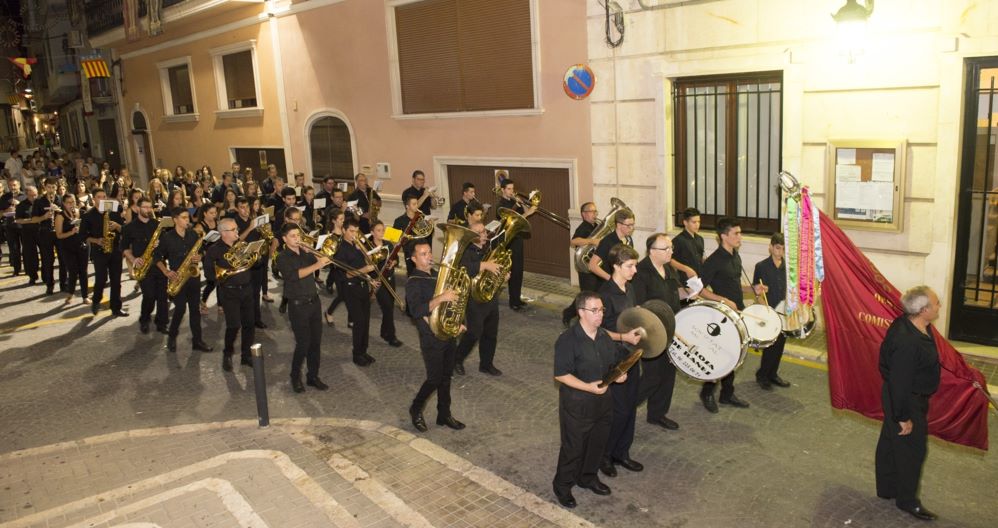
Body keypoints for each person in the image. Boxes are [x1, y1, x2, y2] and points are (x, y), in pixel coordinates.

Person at [552, 291, 638, 509]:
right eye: (594, 310)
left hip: (603, 403)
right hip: (577, 405)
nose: (600, 315)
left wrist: (620, 375)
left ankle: (587, 477)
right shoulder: (568, 340)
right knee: (573, 448)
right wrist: (587, 387)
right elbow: (561, 374)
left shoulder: (604, 337)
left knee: (597, 444)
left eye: (602, 310)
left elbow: (613, 365)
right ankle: (562, 486)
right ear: (581, 312)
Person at [875, 286, 941, 521]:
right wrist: (903, 417)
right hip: (905, 400)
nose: (939, 306)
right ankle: (907, 501)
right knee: (913, 450)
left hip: (902, 395)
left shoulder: (912, 323)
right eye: (936, 303)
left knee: (890, 441)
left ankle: (886, 488)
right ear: (923, 310)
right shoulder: (907, 342)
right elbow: (899, 381)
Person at [698, 217, 763, 412]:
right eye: (736, 233)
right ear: (723, 236)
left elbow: (734, 285)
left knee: (734, 355)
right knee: (719, 356)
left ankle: (727, 394)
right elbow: (699, 290)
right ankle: (707, 392)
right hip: (722, 315)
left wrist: (753, 289)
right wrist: (723, 300)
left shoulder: (735, 256)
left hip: (738, 312)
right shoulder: (714, 260)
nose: (740, 236)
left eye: (740, 232)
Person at [406, 239, 465, 432]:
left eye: (429, 252)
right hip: (431, 338)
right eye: (423, 254)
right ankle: (415, 408)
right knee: (434, 378)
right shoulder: (413, 282)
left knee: (446, 376)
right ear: (414, 259)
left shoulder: (438, 276)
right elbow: (415, 310)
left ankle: (444, 414)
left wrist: (459, 323)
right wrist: (441, 298)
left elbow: (452, 304)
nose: (429, 256)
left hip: (447, 334)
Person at [597, 244, 645, 478]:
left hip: (631, 355)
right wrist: (623, 336)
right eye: (630, 266)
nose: (634, 270)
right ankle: (604, 455)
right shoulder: (604, 294)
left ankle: (621, 452)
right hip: (613, 359)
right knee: (617, 411)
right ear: (616, 266)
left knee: (630, 408)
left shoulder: (630, 288)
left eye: (635, 265)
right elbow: (597, 331)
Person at [631, 233, 683, 430]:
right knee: (652, 377)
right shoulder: (641, 272)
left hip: (671, 329)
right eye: (666, 249)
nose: (670, 252)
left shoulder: (668, 268)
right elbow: (640, 306)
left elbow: (676, 293)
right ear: (652, 251)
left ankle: (657, 413)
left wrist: (690, 292)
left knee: (668, 374)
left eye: (671, 248)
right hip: (652, 333)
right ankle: (625, 407)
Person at [276, 222, 333, 393]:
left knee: (315, 343)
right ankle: (295, 376)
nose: (297, 239)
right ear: (285, 239)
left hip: (314, 302)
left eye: (298, 235)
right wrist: (316, 264)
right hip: (297, 306)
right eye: (293, 236)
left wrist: (315, 254)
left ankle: (313, 376)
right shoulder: (282, 257)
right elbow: (294, 275)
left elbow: (324, 263)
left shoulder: (305, 252)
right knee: (303, 344)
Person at [156, 207, 213, 353]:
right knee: (180, 309)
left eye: (188, 217)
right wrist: (166, 271)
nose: (187, 220)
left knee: (195, 310)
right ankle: (172, 337)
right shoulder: (167, 237)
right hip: (178, 278)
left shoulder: (193, 234)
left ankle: (197, 341)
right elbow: (156, 257)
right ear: (175, 220)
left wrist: (199, 256)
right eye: (183, 217)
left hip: (193, 277)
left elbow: (199, 250)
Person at [204, 218, 257, 371]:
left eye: (236, 229)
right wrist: (222, 276)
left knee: (249, 324)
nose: (237, 232)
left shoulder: (243, 246)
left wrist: (256, 256)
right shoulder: (214, 250)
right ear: (223, 233)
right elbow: (209, 273)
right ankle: (227, 353)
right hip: (229, 292)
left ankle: (246, 356)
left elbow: (255, 265)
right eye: (233, 230)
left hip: (247, 289)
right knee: (233, 326)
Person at [455, 221, 503, 376]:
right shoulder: (464, 250)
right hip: (473, 298)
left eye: (484, 232)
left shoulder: (490, 248)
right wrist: (485, 265)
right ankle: (457, 359)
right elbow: (464, 269)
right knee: (474, 332)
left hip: (490, 295)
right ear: (471, 236)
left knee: (491, 332)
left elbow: (496, 269)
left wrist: (503, 275)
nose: (483, 235)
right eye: (479, 233)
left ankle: (486, 364)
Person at [122, 197, 169, 334]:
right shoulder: (129, 227)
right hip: (143, 265)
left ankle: (162, 323)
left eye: (150, 207)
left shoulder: (157, 225)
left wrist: (160, 244)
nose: (148, 210)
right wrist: (134, 259)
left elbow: (165, 244)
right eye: (145, 207)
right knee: (149, 295)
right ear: (138, 208)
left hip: (159, 264)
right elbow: (124, 247)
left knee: (162, 296)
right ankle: (144, 319)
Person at [336, 217, 378, 366]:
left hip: (362, 286)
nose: (354, 234)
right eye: (351, 231)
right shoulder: (341, 249)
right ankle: (356, 354)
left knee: (366, 320)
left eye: (356, 231)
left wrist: (369, 278)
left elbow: (368, 262)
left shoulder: (357, 245)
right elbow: (347, 273)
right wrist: (365, 270)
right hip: (350, 287)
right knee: (359, 321)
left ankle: (363, 350)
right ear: (343, 230)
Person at [752, 233, 790, 390]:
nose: (780, 252)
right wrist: (766, 311)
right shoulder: (761, 266)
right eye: (777, 248)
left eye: (783, 249)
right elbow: (757, 292)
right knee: (770, 346)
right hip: (770, 311)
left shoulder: (787, 267)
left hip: (783, 312)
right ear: (771, 247)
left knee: (781, 344)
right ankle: (762, 375)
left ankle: (773, 374)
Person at [82, 189, 126, 317]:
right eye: (99, 197)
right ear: (94, 199)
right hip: (99, 251)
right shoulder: (88, 215)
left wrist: (117, 226)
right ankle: (96, 300)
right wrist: (96, 240)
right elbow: (83, 236)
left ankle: (116, 308)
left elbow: (124, 229)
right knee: (101, 279)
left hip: (115, 249)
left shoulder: (113, 210)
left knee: (116, 281)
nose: (102, 199)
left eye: (104, 196)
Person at [495, 179, 536, 311]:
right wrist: (528, 213)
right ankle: (513, 302)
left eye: (513, 189)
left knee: (519, 271)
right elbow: (513, 220)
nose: (512, 191)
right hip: (509, 241)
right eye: (509, 189)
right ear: (502, 190)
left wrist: (523, 203)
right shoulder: (501, 205)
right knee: (512, 271)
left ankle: (517, 299)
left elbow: (525, 213)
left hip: (517, 238)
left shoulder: (514, 201)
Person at [229, 197, 268, 329]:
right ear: (237, 208)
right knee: (244, 294)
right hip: (243, 262)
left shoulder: (254, 219)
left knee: (256, 292)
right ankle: (244, 320)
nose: (245, 210)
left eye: (247, 207)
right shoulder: (234, 222)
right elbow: (236, 240)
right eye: (242, 207)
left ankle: (257, 319)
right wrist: (250, 228)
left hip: (256, 260)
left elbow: (262, 237)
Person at [562, 202, 601, 325]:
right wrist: (592, 241)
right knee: (586, 296)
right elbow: (574, 241)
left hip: (594, 265)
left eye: (595, 211)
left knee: (592, 293)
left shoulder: (596, 225)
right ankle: (571, 315)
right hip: (585, 267)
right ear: (584, 214)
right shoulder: (583, 227)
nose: (595, 214)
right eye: (592, 211)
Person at [368, 221, 403, 347]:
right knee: (387, 307)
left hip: (390, 279)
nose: (382, 232)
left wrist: (394, 262)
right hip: (378, 281)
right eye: (378, 230)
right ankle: (391, 336)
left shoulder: (388, 244)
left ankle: (384, 332)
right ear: (372, 232)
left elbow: (396, 258)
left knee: (389, 307)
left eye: (383, 230)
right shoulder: (369, 247)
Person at [54, 194, 89, 305]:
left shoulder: (78, 212)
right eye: (68, 202)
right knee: (73, 271)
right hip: (68, 247)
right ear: (63, 204)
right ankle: (70, 293)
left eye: (73, 202)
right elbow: (59, 235)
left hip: (81, 245)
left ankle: (85, 296)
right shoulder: (60, 216)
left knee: (83, 271)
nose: (71, 205)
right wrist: (71, 232)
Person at [587, 209, 635, 288]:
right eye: (629, 225)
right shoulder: (607, 241)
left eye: (633, 224)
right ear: (619, 225)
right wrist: (610, 279)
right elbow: (592, 265)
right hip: (608, 286)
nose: (632, 228)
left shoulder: (629, 239)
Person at [31, 178, 62, 294]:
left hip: (59, 232)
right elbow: (33, 219)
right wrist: (44, 217)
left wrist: (58, 210)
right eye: (49, 187)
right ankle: (50, 285)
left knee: (63, 259)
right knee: (48, 260)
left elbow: (68, 215)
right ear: (45, 187)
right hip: (45, 232)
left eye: (53, 187)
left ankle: (64, 283)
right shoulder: (39, 201)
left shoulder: (60, 199)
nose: (51, 190)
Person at [392, 196, 426, 276]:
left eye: (417, 203)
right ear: (407, 206)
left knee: (423, 274)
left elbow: (425, 234)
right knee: (412, 275)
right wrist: (401, 236)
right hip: (409, 252)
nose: (416, 206)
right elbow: (392, 238)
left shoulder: (420, 218)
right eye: (414, 204)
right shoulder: (399, 220)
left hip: (421, 250)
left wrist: (429, 223)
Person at [670, 207, 704, 283]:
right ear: (685, 222)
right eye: (694, 222)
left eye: (699, 222)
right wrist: (686, 269)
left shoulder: (700, 239)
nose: (697, 225)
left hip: (699, 278)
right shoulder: (678, 240)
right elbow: (670, 260)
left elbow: (701, 257)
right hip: (685, 279)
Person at [14, 185, 39, 284]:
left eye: (35, 195)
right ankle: (32, 276)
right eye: (31, 195)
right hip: (28, 232)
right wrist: (31, 220)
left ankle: (46, 276)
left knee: (46, 255)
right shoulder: (21, 205)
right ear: (27, 195)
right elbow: (18, 220)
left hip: (41, 231)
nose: (34, 197)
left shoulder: (40, 203)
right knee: (30, 255)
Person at [1, 178, 25, 275]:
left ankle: (28, 269)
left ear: (19, 185)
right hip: (10, 226)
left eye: (14, 185)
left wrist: (19, 205)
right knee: (14, 249)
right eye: (10, 185)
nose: (13, 187)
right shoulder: (4, 197)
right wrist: (6, 211)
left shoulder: (24, 196)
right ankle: (16, 269)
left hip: (23, 226)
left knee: (27, 249)